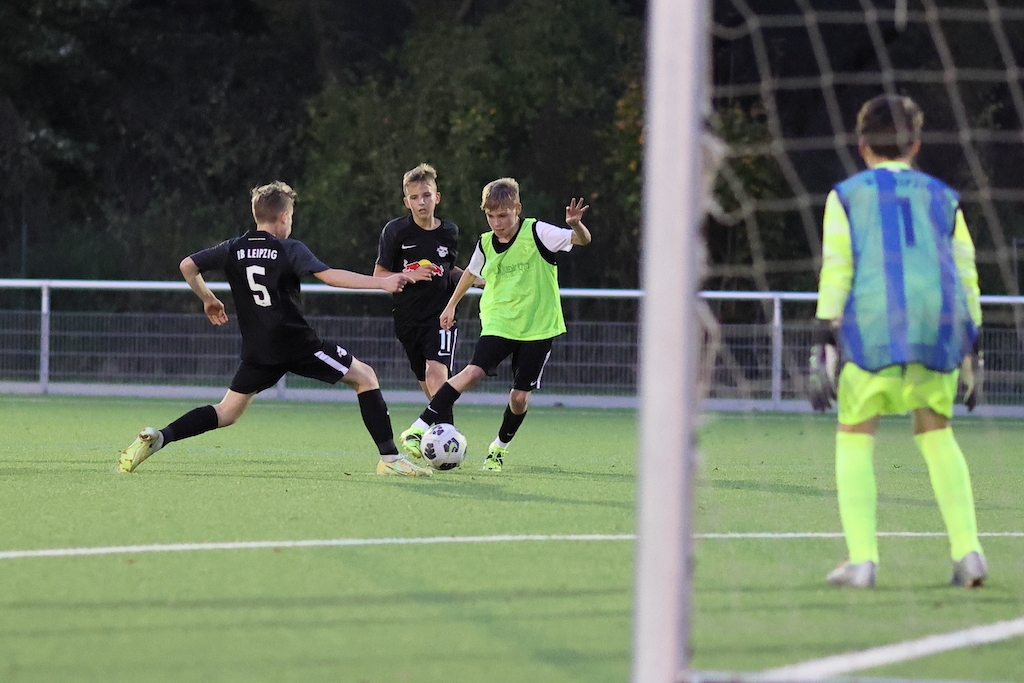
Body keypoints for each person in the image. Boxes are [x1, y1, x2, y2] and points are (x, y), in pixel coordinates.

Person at [118, 181, 434, 477]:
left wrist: (208, 299)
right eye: (291, 216)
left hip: (259, 350)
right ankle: (390, 459)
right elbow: (330, 276)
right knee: (365, 377)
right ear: (284, 216)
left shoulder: (234, 248)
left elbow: (187, 265)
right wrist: (382, 283)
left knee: (227, 412)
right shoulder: (288, 248)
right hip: (295, 343)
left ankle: (161, 436)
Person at [808, 94, 986, 588]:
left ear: (862, 145)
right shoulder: (944, 197)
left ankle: (862, 560)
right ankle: (968, 553)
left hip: (874, 327)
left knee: (854, 434)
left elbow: (838, 268)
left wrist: (824, 341)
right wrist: (973, 344)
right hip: (936, 327)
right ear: (915, 144)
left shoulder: (846, 195)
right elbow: (966, 271)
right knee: (936, 433)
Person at [399, 177, 591, 471]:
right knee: (472, 372)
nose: (497, 223)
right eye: (491, 216)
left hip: (538, 326)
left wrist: (576, 225)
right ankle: (418, 427)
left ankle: (498, 448)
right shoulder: (485, 242)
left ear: (517, 209)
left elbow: (582, 240)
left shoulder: (538, 232)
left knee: (519, 398)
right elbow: (469, 273)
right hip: (499, 321)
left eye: (503, 215)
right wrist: (451, 305)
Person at [373, 164, 466, 422]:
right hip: (407, 320)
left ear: (437, 197)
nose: (421, 202)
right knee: (429, 386)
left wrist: (474, 279)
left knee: (436, 372)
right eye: (414, 197)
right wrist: (408, 276)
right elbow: (379, 275)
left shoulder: (449, 232)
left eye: (426, 195)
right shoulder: (395, 231)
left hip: (441, 316)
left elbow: (448, 269)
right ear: (407, 202)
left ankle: (446, 435)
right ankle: (441, 429)